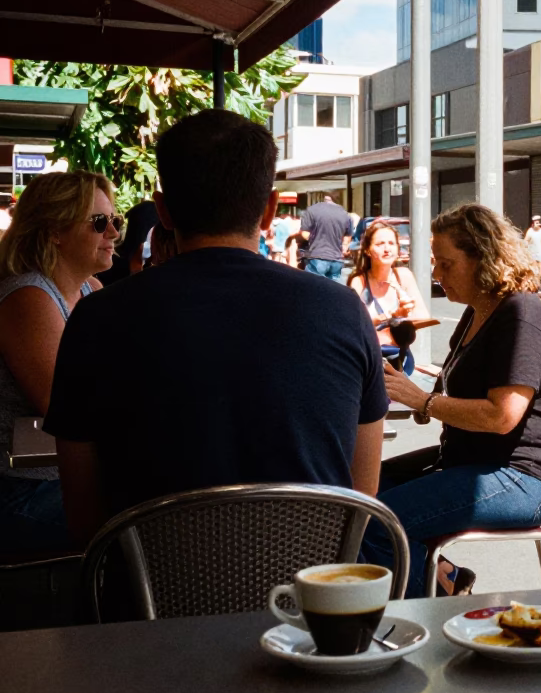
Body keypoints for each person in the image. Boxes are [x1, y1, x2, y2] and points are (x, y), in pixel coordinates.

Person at [46, 110, 387, 546]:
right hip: (307, 599)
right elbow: (361, 492)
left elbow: (84, 516)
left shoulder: (95, 318)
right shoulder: (345, 310)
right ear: (268, 210)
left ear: (163, 212)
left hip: (143, 601)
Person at [363, 204, 541, 598]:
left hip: (523, 477)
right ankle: (446, 580)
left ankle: (427, 620)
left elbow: (502, 416)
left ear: (484, 260)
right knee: (362, 489)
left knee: (379, 523)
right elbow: (451, 393)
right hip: (471, 461)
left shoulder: (520, 316)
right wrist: (408, 390)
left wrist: (424, 402)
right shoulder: (479, 311)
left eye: (446, 264)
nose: (436, 276)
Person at [0, 172, 119, 554]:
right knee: (147, 529)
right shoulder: (28, 297)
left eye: (117, 221)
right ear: (54, 231)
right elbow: (65, 408)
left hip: (67, 477)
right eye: (100, 223)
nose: (114, 234)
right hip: (20, 488)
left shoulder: (90, 289)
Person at [348, 220, 429, 375]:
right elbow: (355, 324)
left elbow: (423, 316)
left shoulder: (403, 276)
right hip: (368, 358)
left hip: (398, 357)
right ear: (367, 250)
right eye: (380, 244)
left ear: (398, 249)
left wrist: (407, 313)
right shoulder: (359, 281)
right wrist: (392, 316)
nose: (387, 249)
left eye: (391, 243)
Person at [300, 194, 353, 282]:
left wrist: (314, 239)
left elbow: (304, 233)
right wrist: (344, 248)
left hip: (317, 256)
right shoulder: (345, 213)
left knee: (314, 289)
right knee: (334, 291)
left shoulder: (312, 210)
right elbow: (348, 236)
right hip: (336, 258)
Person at [523, 216, 541, 283]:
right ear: (533, 224)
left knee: (540, 266)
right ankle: (534, 280)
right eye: (536, 223)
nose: (538, 224)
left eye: (538, 223)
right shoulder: (530, 231)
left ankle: (539, 280)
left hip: (540, 251)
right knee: (534, 266)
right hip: (532, 252)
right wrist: (525, 248)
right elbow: (526, 240)